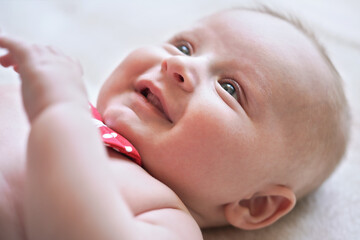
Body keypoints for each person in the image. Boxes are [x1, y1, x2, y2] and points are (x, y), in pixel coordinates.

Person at [0, 7, 349, 240]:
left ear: (253, 204)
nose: (178, 66)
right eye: (184, 47)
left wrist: (59, 109)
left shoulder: (165, 216)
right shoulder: (62, 95)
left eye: (230, 88)